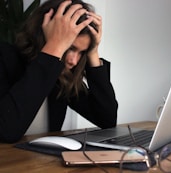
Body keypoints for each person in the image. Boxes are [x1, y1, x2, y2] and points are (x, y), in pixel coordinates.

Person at [0, 0, 118, 143]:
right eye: (70, 47)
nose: (74, 61)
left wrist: (93, 52)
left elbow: (107, 120)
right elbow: (6, 132)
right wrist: (54, 48)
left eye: (82, 52)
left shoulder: (61, 76)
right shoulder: (5, 57)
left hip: (40, 164)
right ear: (43, 36)